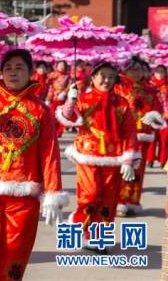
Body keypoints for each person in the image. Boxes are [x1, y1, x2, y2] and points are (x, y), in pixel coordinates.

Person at [0, 49, 67, 280]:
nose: (13, 73)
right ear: (0, 73)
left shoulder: (41, 111)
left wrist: (52, 193)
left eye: (19, 68)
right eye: (8, 68)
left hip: (24, 194)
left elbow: (49, 154)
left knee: (15, 252)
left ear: (30, 72)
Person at [57, 61, 137, 251]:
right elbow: (67, 118)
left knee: (108, 200)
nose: (107, 80)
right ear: (93, 78)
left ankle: (99, 238)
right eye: (103, 76)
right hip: (87, 154)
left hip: (113, 157)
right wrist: (70, 100)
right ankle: (80, 230)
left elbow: (129, 130)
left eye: (111, 76)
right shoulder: (82, 99)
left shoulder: (121, 103)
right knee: (91, 195)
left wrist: (128, 158)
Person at [114, 57, 166, 216]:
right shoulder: (118, 87)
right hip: (124, 137)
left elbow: (158, 112)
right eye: (133, 69)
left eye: (140, 69)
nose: (137, 73)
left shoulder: (150, 89)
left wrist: (154, 115)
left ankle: (132, 201)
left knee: (138, 171)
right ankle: (120, 201)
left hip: (143, 136)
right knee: (123, 169)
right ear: (125, 70)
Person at [45, 60, 71, 138]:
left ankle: (59, 132)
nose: (62, 67)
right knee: (52, 115)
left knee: (61, 116)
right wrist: (48, 98)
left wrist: (64, 93)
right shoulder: (52, 75)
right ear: (56, 66)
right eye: (60, 65)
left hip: (62, 99)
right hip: (54, 98)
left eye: (63, 65)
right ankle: (52, 130)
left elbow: (69, 86)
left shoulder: (68, 76)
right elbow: (48, 85)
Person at [149, 65, 168, 167]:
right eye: (157, 71)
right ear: (154, 73)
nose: (160, 74)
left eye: (162, 71)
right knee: (152, 138)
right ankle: (150, 159)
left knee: (164, 140)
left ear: (165, 73)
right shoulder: (149, 85)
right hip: (152, 115)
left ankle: (163, 160)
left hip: (165, 116)